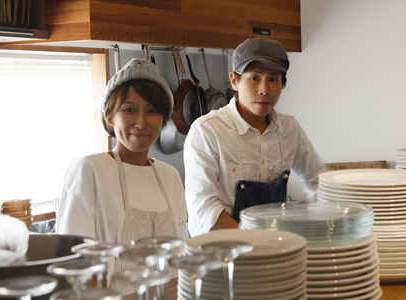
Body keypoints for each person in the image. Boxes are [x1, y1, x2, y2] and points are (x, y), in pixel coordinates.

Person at [56, 58, 188, 292]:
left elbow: (179, 256)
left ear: (163, 119)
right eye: (129, 110)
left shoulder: (169, 176)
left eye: (152, 111)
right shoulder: (89, 170)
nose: (141, 122)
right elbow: (75, 261)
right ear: (110, 117)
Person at [184, 37, 326, 237]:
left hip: (271, 250)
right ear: (234, 80)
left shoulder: (289, 128)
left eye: (273, 79)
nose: (264, 90)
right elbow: (204, 207)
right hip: (218, 253)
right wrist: (258, 241)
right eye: (254, 78)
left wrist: (319, 225)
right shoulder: (207, 131)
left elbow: (318, 181)